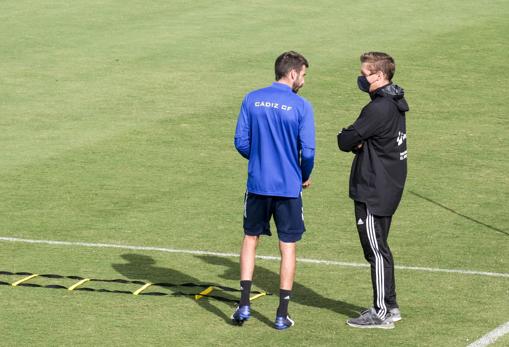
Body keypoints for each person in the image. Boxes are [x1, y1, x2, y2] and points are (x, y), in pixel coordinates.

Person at [232, 51, 315, 330]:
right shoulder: (302, 106)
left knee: (250, 239)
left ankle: (244, 304)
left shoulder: (251, 98)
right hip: (288, 187)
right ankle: (281, 313)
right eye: (303, 75)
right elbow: (310, 151)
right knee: (287, 246)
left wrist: (259, 158)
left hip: (257, 184)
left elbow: (241, 141)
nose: (303, 80)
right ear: (292, 73)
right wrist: (303, 175)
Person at [338, 52, 409, 329]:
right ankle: (390, 306)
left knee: (376, 251)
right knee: (380, 248)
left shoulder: (378, 109)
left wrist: (356, 141)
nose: (362, 78)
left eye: (366, 73)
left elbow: (345, 140)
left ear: (379, 76)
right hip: (388, 186)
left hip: (373, 189)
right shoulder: (395, 103)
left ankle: (381, 312)